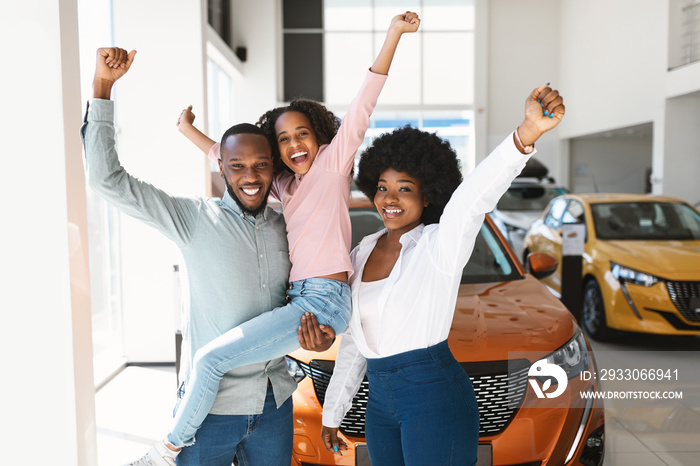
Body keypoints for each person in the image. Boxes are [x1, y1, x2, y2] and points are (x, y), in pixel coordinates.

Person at [129, 11, 421, 465]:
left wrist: (394, 34)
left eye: (302, 134)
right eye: (283, 140)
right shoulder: (283, 186)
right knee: (219, 359)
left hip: (322, 300)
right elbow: (226, 157)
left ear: (321, 138)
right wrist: (187, 130)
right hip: (300, 299)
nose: (294, 145)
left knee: (208, 360)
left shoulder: (330, 166)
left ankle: (166, 451)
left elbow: (365, 102)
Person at [82, 47, 330, 466]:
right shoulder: (193, 218)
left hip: (274, 403)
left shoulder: (287, 225)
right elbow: (107, 180)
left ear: (274, 168)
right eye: (237, 166)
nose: (249, 177)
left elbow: (307, 301)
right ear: (221, 168)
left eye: (261, 165)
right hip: (208, 410)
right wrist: (103, 88)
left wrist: (320, 339)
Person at [319, 85, 565, 465]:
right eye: (382, 188)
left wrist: (526, 134)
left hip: (433, 398)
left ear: (428, 194)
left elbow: (473, 200)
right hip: (380, 403)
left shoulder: (438, 247)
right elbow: (355, 344)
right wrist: (333, 414)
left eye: (405, 188)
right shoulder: (363, 250)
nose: (389, 199)